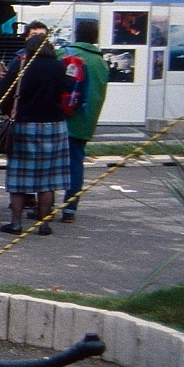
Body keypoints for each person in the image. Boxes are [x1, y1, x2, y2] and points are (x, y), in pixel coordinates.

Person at [0, 34, 75, 235]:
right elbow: (68, 90)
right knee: (47, 179)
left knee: (18, 179)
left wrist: (7, 110)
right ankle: (44, 224)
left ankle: (16, 223)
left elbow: (4, 93)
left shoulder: (22, 67)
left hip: (25, 124)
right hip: (55, 126)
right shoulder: (60, 67)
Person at [61, 19, 109, 222]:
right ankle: (70, 208)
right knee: (76, 164)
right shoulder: (101, 62)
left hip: (60, 117)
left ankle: (42, 206)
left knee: (47, 162)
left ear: (76, 34)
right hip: (85, 122)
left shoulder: (65, 54)